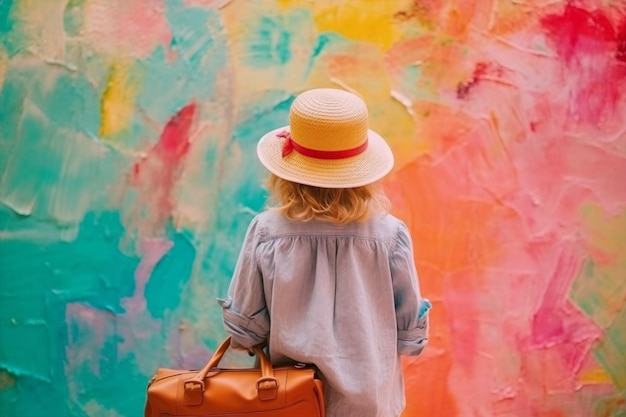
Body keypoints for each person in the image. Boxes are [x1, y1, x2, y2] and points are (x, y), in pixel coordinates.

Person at [217, 88, 431, 417]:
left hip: (290, 402)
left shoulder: (266, 232)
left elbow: (246, 330)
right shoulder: (391, 235)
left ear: (285, 174)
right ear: (363, 173)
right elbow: (409, 337)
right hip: (370, 406)